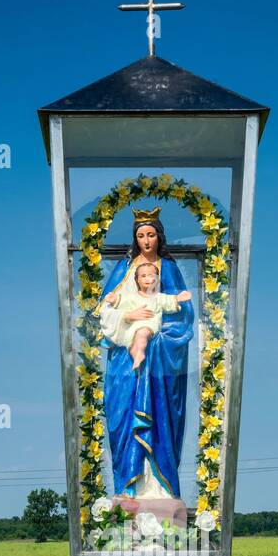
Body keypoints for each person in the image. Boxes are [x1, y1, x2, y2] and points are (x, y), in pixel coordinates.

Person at [99, 208, 194, 500]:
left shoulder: (169, 268)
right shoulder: (124, 269)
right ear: (135, 238)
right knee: (123, 416)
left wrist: (158, 338)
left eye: (151, 235)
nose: (146, 241)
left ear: (159, 236)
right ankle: (129, 490)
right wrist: (128, 317)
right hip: (125, 359)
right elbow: (105, 310)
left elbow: (182, 313)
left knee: (160, 417)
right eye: (141, 235)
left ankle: (160, 492)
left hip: (158, 360)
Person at [100, 261, 191, 369]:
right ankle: (137, 357)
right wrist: (114, 299)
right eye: (143, 276)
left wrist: (178, 298)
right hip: (132, 328)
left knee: (142, 334)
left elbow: (168, 301)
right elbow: (123, 301)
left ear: (157, 279)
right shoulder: (133, 297)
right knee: (130, 343)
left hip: (149, 324)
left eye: (151, 276)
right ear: (137, 280)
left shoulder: (158, 297)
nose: (147, 279)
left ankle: (140, 354)